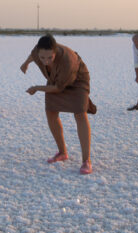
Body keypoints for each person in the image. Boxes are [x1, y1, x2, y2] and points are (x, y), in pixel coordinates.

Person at [20, 34, 97, 175]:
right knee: (51, 111)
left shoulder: (68, 60)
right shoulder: (38, 52)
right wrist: (26, 63)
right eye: (42, 57)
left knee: (80, 113)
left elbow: (57, 88)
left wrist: (37, 88)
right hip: (55, 79)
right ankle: (62, 152)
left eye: (50, 57)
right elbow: (33, 55)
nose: (46, 61)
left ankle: (87, 161)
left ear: (55, 52)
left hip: (77, 80)